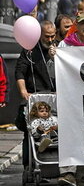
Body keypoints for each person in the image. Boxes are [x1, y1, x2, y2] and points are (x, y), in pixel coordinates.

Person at [51, 12, 84, 186]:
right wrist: (54, 57)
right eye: (83, 24)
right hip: (70, 99)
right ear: (77, 25)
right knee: (69, 133)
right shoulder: (64, 45)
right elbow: (55, 71)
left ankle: (80, 176)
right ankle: (67, 172)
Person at [15, 20, 56, 173]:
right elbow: (20, 71)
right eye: (47, 36)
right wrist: (24, 92)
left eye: (53, 36)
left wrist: (56, 57)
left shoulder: (58, 47)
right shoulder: (29, 49)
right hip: (35, 97)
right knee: (29, 129)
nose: (50, 40)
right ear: (39, 35)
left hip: (55, 98)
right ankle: (29, 165)